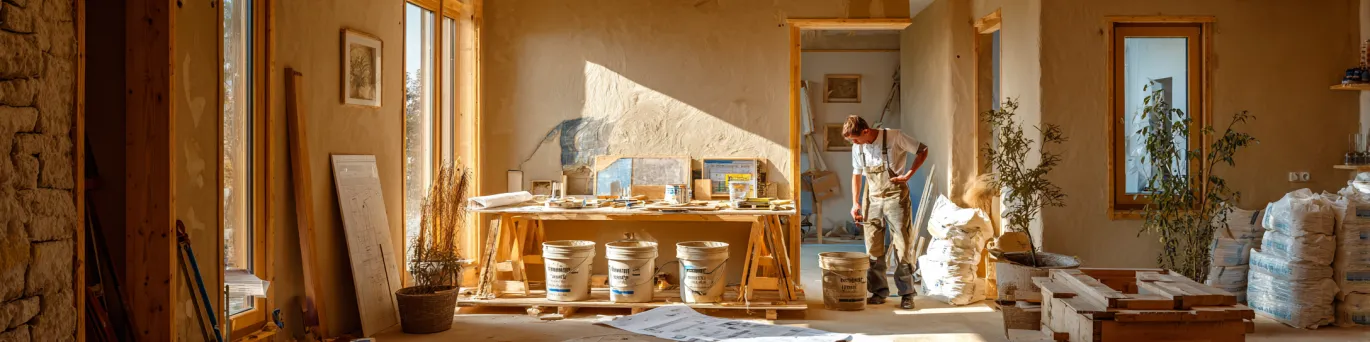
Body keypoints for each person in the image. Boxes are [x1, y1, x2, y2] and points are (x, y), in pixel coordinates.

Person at [843, 115, 928, 309]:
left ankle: (907, 293)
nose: (854, 143)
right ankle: (879, 291)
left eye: (856, 139)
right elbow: (856, 175)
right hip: (871, 197)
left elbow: (923, 149)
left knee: (902, 245)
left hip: (895, 196)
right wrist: (855, 203)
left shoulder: (894, 136)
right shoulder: (858, 147)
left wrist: (909, 174)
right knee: (873, 245)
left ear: (866, 131)